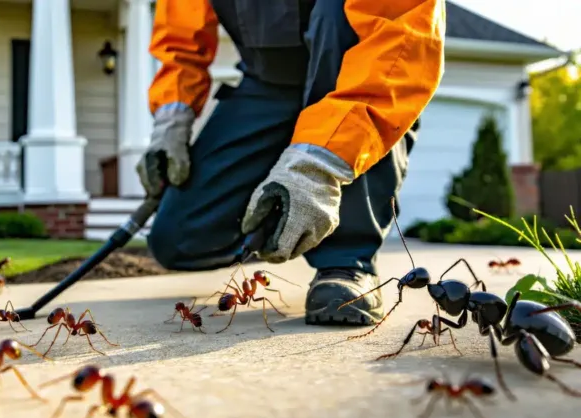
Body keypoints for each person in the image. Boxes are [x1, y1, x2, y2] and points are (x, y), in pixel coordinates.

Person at [137, 0, 445, 326]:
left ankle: (345, 262)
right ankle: (279, 226)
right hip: (266, 82)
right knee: (178, 239)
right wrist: (172, 116)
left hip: (353, 68)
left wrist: (317, 168)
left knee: (336, 14)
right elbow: (180, 35)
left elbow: (398, 40)